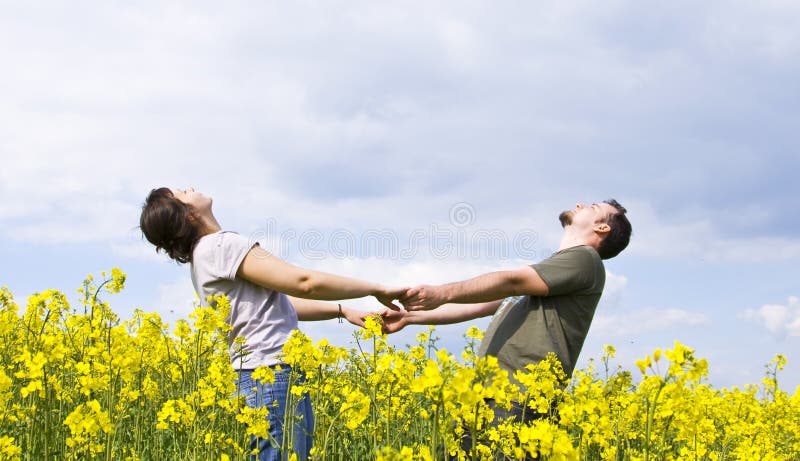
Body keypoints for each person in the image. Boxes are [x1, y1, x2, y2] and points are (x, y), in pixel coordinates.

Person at [139, 187, 405, 461]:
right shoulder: (220, 246)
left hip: (260, 374)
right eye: (180, 193)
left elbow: (280, 301)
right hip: (271, 374)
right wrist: (377, 289)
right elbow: (304, 282)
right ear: (189, 214)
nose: (189, 188)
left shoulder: (203, 257)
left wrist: (342, 310)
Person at [387, 200, 632, 428]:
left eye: (592, 207)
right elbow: (479, 307)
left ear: (602, 228)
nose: (580, 204)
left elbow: (512, 282)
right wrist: (409, 317)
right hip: (489, 395)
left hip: (518, 400)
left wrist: (443, 292)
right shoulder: (556, 271)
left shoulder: (585, 259)